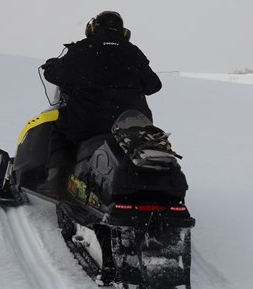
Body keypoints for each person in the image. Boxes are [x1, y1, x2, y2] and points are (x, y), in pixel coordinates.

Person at [37, 11, 162, 195]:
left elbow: (54, 75)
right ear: (123, 31)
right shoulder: (133, 52)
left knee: (60, 132)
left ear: (94, 27)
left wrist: (51, 65)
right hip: (129, 122)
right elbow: (154, 85)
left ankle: (56, 180)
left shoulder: (82, 48)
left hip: (88, 121)